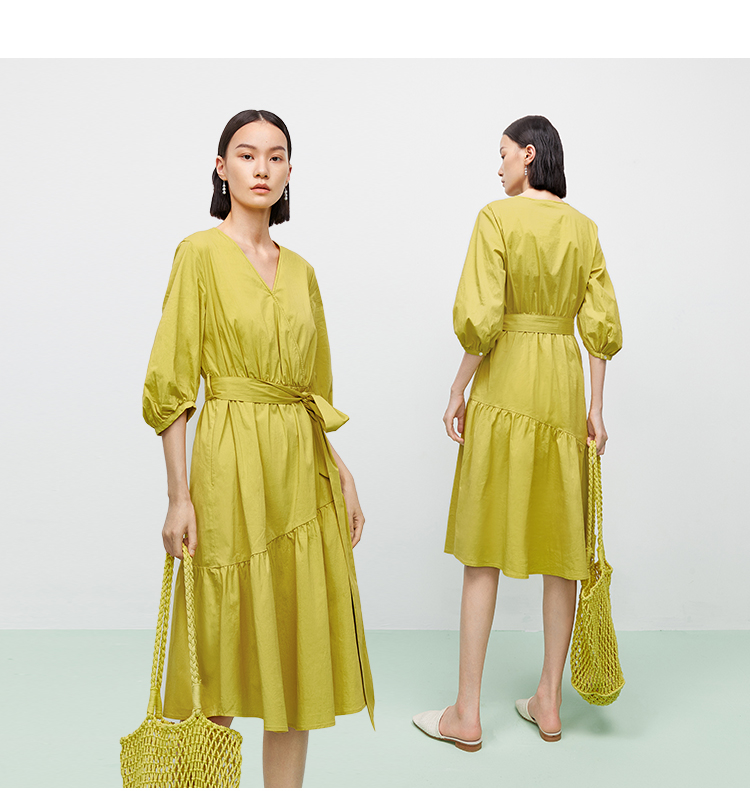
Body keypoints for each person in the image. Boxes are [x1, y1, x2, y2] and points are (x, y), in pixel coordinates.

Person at [142, 109, 374, 787]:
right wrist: (178, 496)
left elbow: (313, 390)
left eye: (275, 156)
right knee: (219, 644)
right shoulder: (198, 254)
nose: (262, 168)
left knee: (295, 654)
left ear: (290, 172)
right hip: (228, 464)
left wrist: (342, 471)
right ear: (222, 168)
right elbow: (171, 384)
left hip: (301, 472)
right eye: (246, 155)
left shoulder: (302, 271)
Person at [413, 115, 622, 750]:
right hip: (561, 390)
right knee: (562, 552)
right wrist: (596, 407)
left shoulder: (496, 219)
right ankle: (548, 702)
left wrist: (458, 388)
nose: (498, 165)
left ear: (529, 155)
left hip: (505, 385)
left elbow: (482, 320)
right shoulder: (584, 229)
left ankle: (466, 715)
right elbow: (601, 327)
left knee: (484, 548)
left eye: (503, 153)